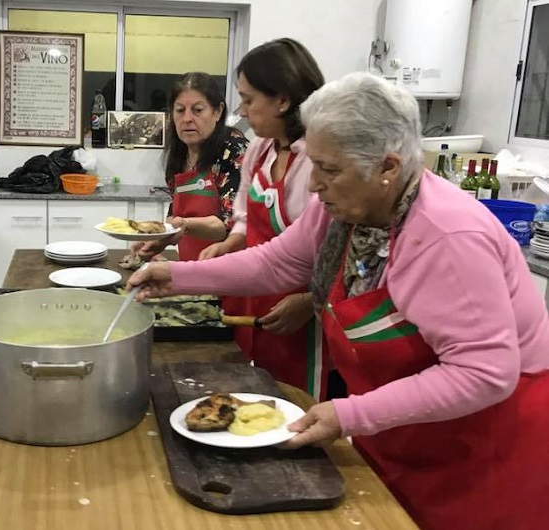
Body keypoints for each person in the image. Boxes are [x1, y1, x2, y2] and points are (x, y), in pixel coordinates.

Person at [127, 72, 549, 530]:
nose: (313, 185)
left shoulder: (447, 237)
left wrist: (351, 413)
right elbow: (279, 262)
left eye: (328, 170)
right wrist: (178, 275)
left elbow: (484, 373)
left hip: (481, 448)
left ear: (388, 168)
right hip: (406, 435)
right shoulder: (354, 208)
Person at [198, 39, 332, 400]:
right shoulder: (260, 149)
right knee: (250, 391)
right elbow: (244, 218)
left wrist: (308, 302)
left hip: (300, 311)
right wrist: (229, 244)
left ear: (283, 100)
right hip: (252, 293)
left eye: (248, 99)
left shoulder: (316, 161)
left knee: (294, 401)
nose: (242, 111)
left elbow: (337, 250)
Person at [133, 72, 248, 262]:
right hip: (193, 271)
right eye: (179, 110)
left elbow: (231, 224)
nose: (187, 118)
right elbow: (175, 216)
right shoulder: (178, 157)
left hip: (231, 274)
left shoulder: (234, 152)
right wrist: (157, 240)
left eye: (197, 110)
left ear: (217, 112)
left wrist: (183, 225)